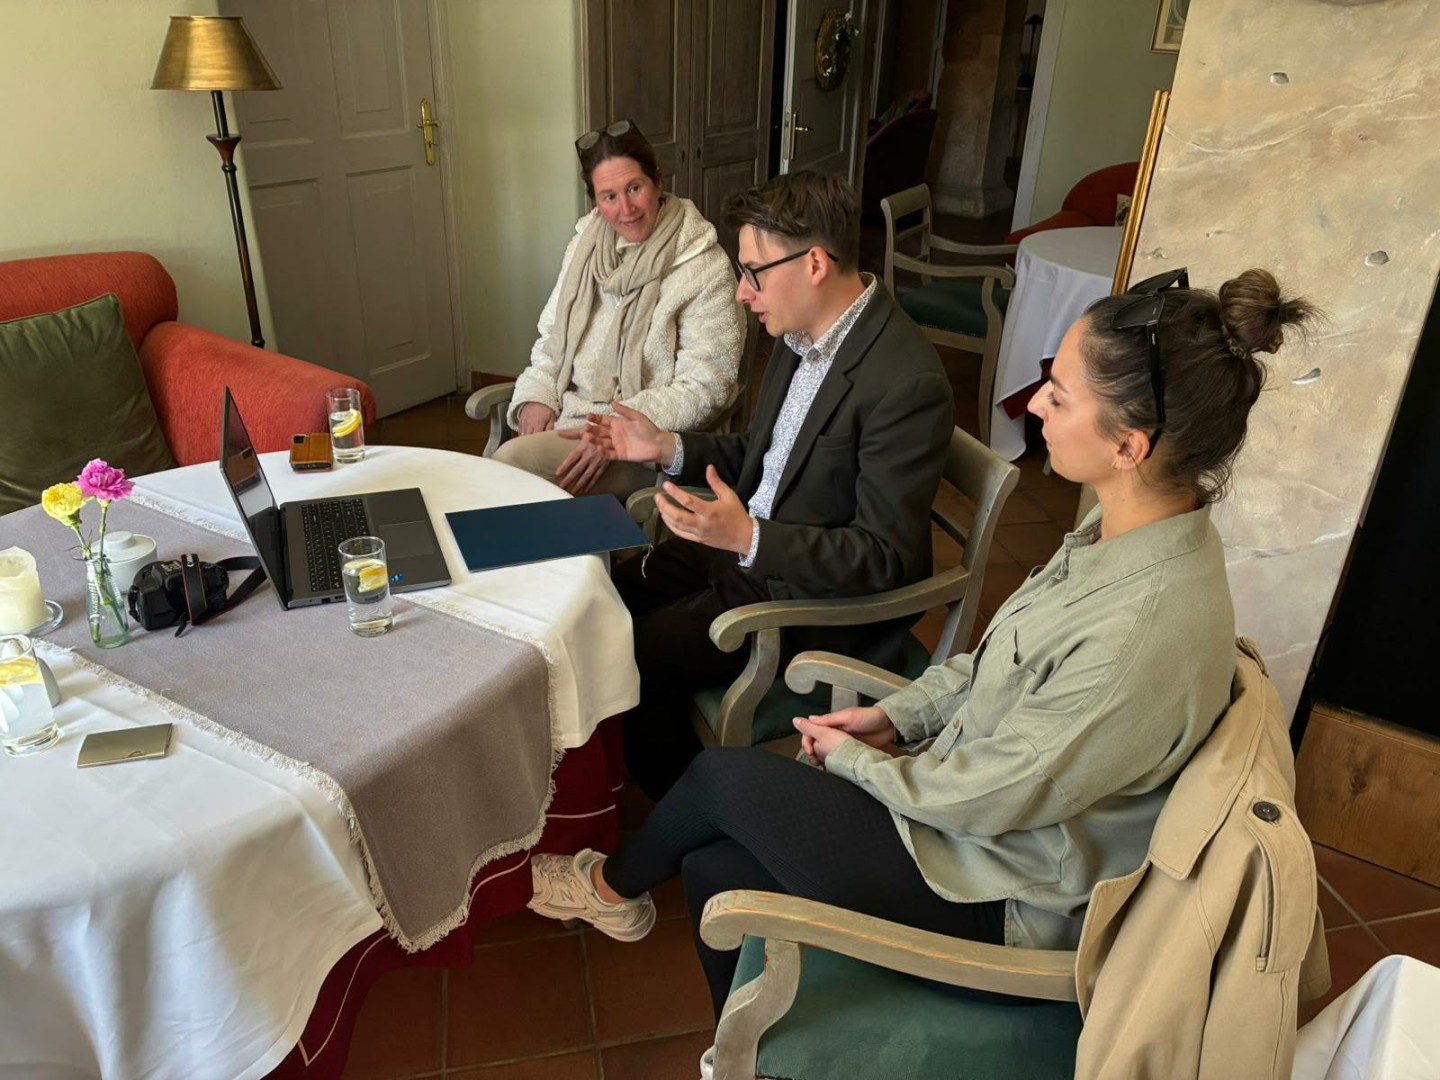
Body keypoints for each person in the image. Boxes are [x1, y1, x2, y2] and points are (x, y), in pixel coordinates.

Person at [531, 267, 1319, 1022]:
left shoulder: (1141, 627)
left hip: (1005, 899)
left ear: (1129, 446)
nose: (1036, 404)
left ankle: (607, 889)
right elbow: (996, 662)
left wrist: (860, 763)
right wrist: (897, 718)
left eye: (1059, 393)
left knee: (720, 780)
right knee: (713, 869)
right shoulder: (1127, 537)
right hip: (980, 827)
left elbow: (994, 795)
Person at [561, 170, 954, 800]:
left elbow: (885, 557)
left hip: (802, 595)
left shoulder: (905, 382)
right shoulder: (801, 330)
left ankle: (695, 804)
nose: (743, 293)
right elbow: (766, 456)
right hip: (741, 547)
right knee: (593, 599)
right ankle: (643, 771)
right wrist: (666, 447)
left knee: (622, 651)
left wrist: (750, 537)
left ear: (815, 263)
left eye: (753, 272)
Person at [495, 120, 745, 500]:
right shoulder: (585, 247)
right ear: (595, 201)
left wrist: (613, 430)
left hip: (644, 445)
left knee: (507, 469)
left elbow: (706, 387)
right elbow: (552, 337)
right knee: (498, 480)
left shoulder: (703, 265)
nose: (625, 209)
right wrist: (537, 394)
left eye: (634, 188)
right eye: (609, 196)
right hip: (570, 419)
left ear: (657, 181)